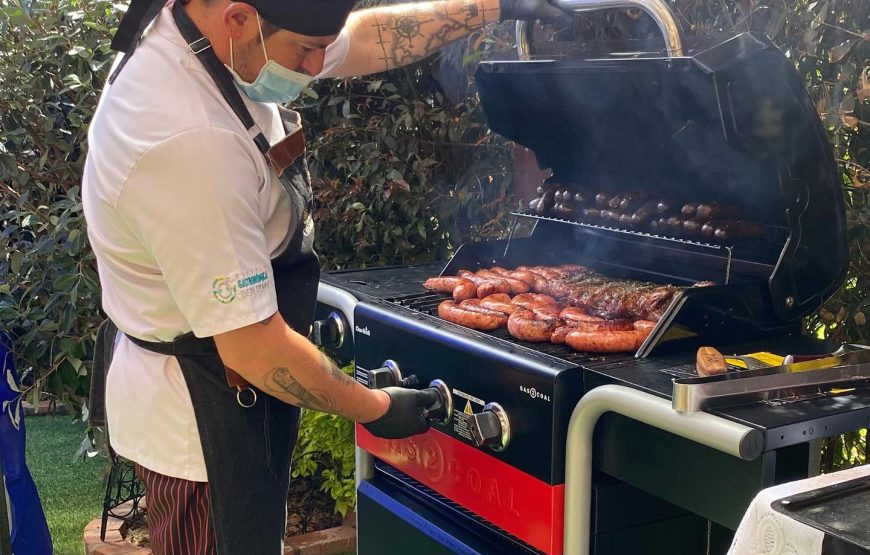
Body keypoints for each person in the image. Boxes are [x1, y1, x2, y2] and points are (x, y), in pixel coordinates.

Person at [82, 0, 568, 553]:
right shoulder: (186, 141)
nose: (316, 68)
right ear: (238, 19)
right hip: (201, 424)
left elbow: (362, 40)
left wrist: (495, 7)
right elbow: (255, 350)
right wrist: (376, 408)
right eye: (306, 51)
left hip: (231, 388)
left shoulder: (229, 32)